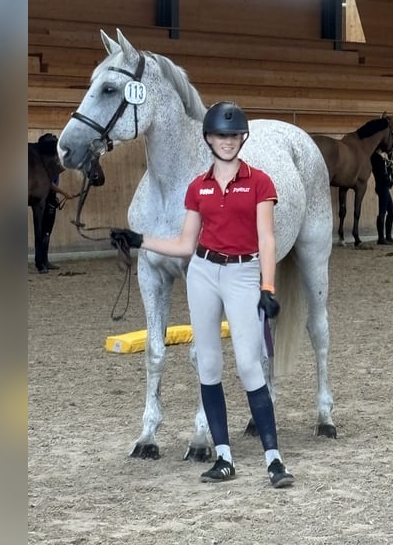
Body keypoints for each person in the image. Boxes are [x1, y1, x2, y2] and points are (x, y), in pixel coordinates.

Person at [110, 102, 295, 488]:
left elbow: (267, 238)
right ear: (209, 139)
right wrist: (140, 239)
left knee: (248, 364)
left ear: (241, 138)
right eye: (220, 135)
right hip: (204, 273)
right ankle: (224, 457)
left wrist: (267, 286)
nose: (226, 142)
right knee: (208, 365)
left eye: (232, 135)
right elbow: (184, 244)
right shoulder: (199, 187)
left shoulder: (260, 182)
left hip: (244, 273)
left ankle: (274, 461)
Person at [32, 133, 77, 274]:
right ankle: (40, 262)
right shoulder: (44, 165)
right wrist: (65, 194)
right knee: (43, 229)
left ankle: (44, 260)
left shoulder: (53, 163)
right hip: (48, 195)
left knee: (47, 231)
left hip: (51, 198)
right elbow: (48, 183)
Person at [371, 149, 393, 244]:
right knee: (382, 211)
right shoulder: (376, 158)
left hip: (384, 186)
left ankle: (388, 236)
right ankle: (381, 238)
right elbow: (381, 173)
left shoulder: (381, 158)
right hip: (382, 186)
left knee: (391, 211)